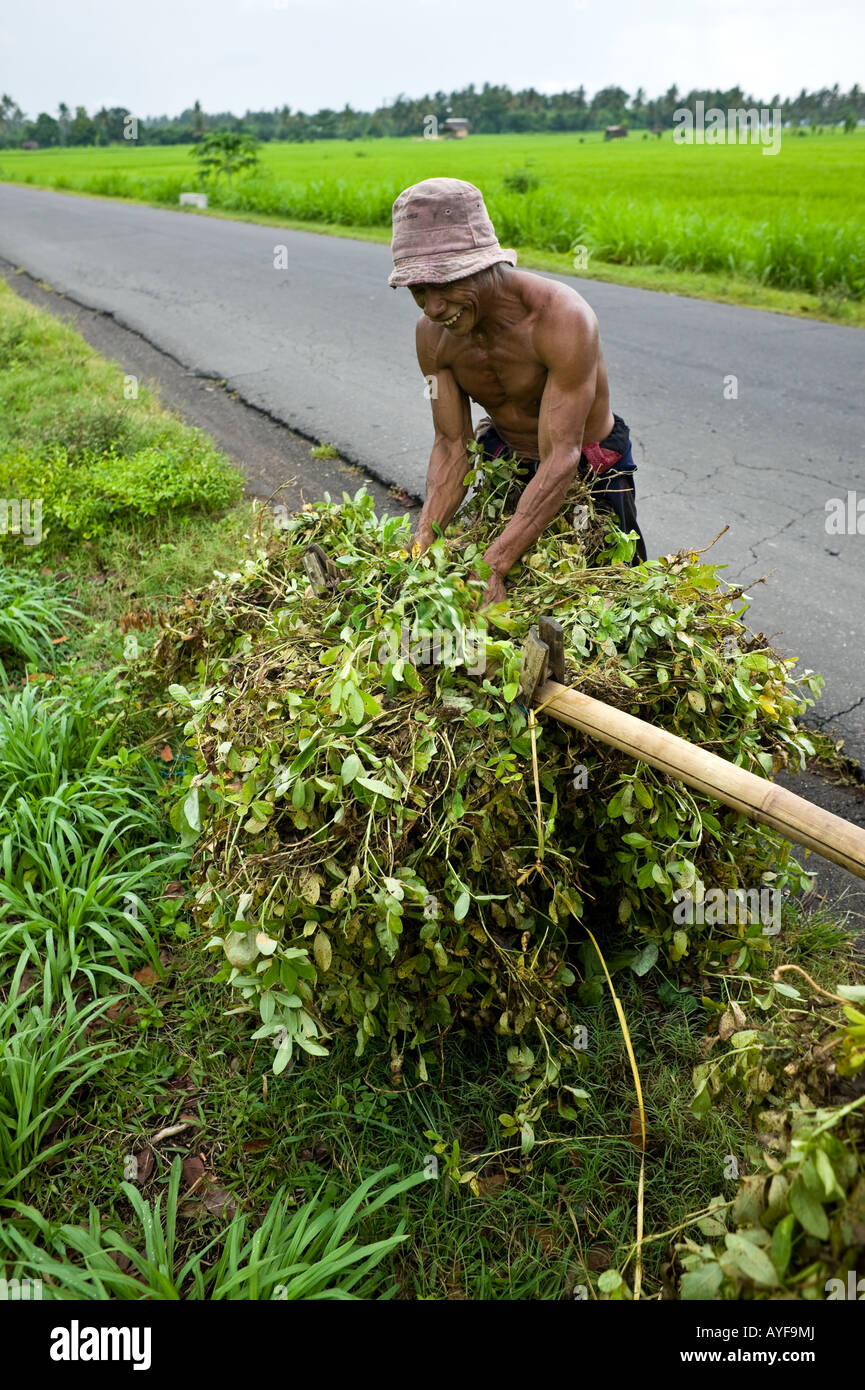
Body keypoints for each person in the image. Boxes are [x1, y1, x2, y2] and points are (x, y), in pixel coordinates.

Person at [388, 177, 647, 605]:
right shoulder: (432, 337)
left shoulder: (562, 319)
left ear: (484, 265)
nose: (434, 308)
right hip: (507, 460)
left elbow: (562, 454)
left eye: (446, 284)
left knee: (615, 601)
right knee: (498, 610)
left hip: (585, 465)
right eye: (418, 290)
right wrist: (421, 546)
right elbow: (453, 444)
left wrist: (494, 565)